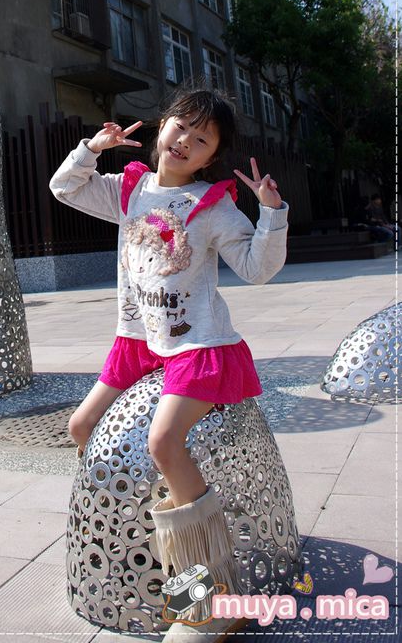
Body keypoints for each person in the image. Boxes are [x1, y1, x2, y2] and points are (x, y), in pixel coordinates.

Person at [49, 88, 289, 642]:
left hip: (197, 345)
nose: (185, 142)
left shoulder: (213, 205)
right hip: (137, 339)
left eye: (201, 139)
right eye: (181, 126)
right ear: (162, 126)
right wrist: (92, 148)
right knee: (81, 427)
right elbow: (65, 187)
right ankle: (148, 532)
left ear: (211, 157)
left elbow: (256, 269)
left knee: (163, 443)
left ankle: (212, 596)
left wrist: (272, 214)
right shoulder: (129, 189)